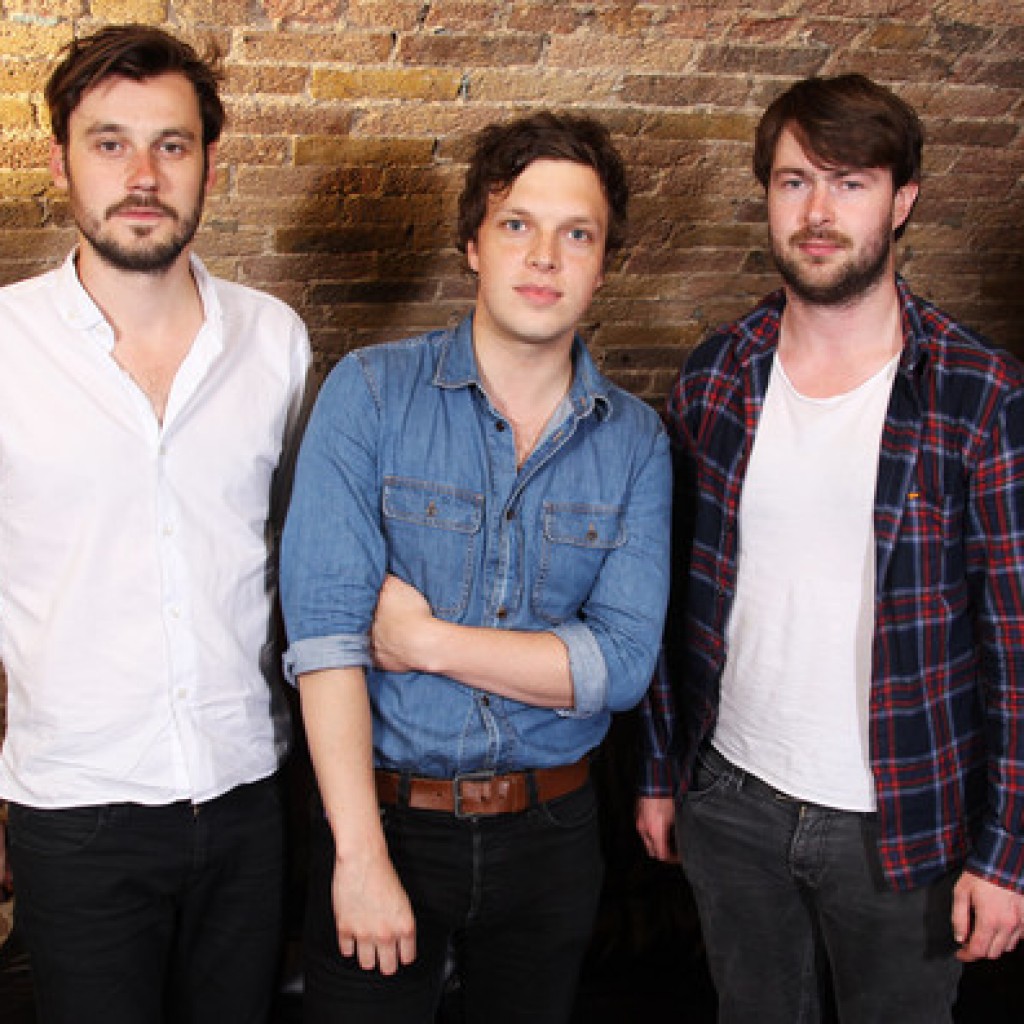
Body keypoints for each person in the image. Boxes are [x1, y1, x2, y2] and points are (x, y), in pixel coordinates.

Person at [636, 72, 1024, 1022]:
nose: (818, 212)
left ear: (902, 201)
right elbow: (661, 597)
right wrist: (659, 774)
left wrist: (1008, 852)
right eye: (794, 181)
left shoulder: (979, 394)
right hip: (729, 799)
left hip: (905, 819)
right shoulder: (715, 375)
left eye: (850, 183)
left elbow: (1017, 646)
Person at [280, 111, 671, 1023]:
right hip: (386, 821)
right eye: (517, 224)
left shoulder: (637, 441)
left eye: (577, 235)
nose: (545, 258)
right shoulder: (369, 393)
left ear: (603, 265)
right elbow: (327, 643)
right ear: (472, 245)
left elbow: (618, 668)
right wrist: (359, 858)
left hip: (553, 836)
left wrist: (423, 641)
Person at [0, 25, 311, 1024]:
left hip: (247, 794)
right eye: (110, 143)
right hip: (73, 806)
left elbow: (294, 559)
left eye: (170, 145)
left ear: (209, 163)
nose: (142, 175)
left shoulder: (275, 339)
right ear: (61, 163)